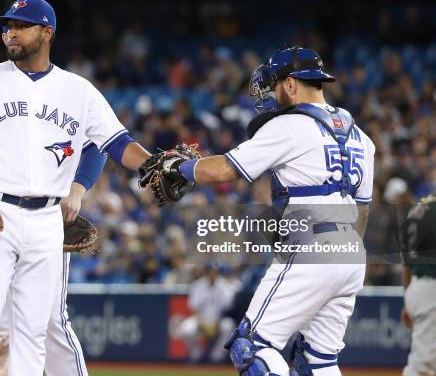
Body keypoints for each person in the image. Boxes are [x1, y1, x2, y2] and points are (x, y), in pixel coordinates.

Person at [0, 0, 151, 375]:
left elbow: (115, 143)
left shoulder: (78, 90)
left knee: (33, 333)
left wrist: (154, 164)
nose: (11, 33)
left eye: (21, 26)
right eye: (8, 26)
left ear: (47, 32)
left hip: (47, 221)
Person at [150, 47, 375, 375]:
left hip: (310, 248)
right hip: (352, 254)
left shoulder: (290, 125)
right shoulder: (360, 137)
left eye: (276, 84)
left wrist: (180, 167)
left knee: (252, 347)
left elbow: (224, 170)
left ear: (293, 84)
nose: (272, 93)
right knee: (319, 360)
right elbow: (363, 211)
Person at [0, 140, 107, 376]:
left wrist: (77, 189)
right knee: (4, 326)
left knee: (52, 321)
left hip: (46, 216)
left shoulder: (62, 103)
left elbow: (99, 143)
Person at [400, 194, 436, 376]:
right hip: (431, 289)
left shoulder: (418, 208)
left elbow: (406, 264)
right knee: (424, 367)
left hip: (417, 286)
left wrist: (407, 300)